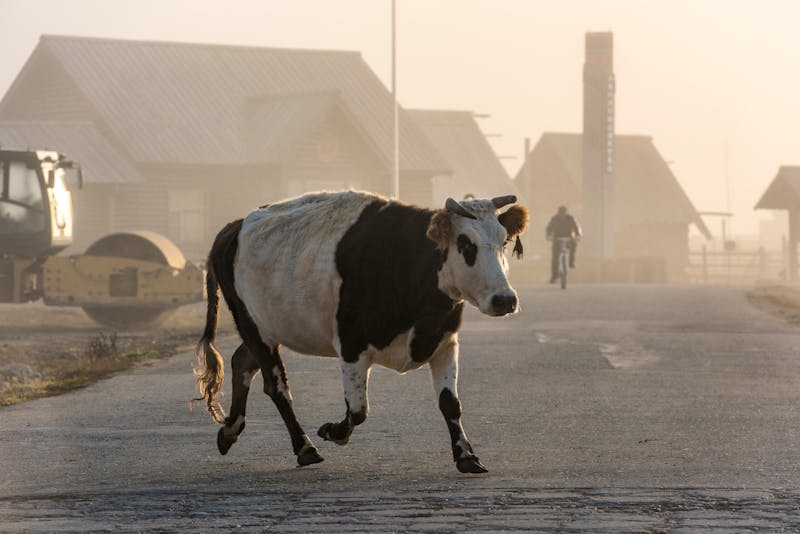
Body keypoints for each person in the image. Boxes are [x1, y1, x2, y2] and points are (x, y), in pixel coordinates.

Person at [546, 205, 582, 283]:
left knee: (573, 245)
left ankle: (571, 262)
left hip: (568, 237)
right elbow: (549, 228)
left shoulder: (571, 218)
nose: (562, 215)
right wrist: (549, 235)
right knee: (555, 258)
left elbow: (577, 228)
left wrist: (578, 235)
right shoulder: (554, 219)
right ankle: (554, 276)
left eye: (564, 213)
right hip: (557, 239)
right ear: (558, 213)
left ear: (566, 213)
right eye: (561, 213)